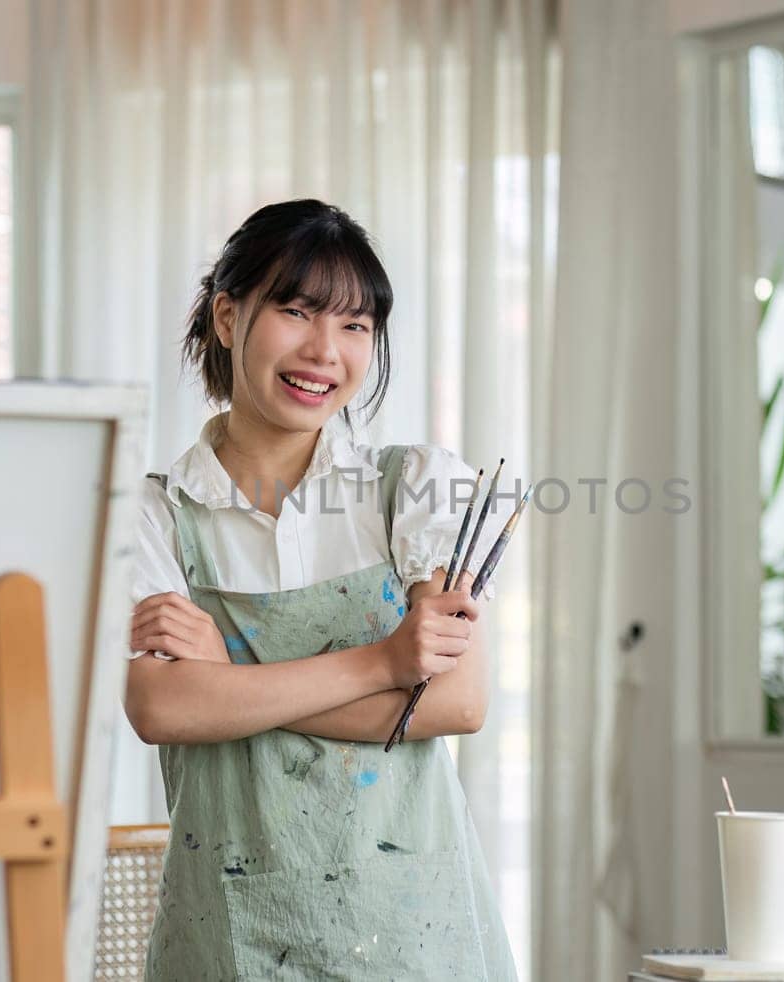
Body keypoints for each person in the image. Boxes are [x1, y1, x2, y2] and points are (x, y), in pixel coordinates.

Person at [126, 199, 518, 980]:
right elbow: (163, 708)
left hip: (413, 931)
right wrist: (383, 665)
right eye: (296, 311)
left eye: (355, 326)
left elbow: (455, 704)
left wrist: (229, 684)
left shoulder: (414, 489)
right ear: (229, 316)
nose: (324, 351)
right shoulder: (155, 512)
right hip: (230, 929)